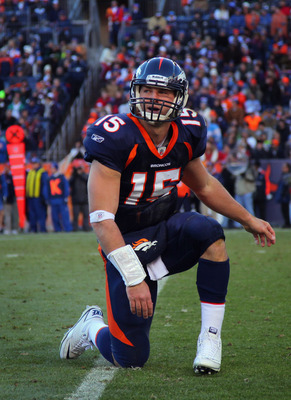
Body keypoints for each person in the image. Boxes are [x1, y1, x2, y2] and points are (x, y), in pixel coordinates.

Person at [59, 57, 275, 374]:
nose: (153, 98)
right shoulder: (115, 135)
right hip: (124, 242)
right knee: (130, 358)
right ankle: (92, 327)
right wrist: (134, 278)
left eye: (163, 92)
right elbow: (102, 219)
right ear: (134, 91)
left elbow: (204, 186)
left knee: (210, 232)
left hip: (163, 229)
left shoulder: (186, 132)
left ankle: (210, 338)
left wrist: (247, 219)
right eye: (147, 89)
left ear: (179, 98)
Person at [26, 157, 49, 233]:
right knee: (32, 214)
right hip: (31, 197)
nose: (33, 165)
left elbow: (45, 185)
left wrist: (44, 197)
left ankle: (42, 229)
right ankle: (33, 229)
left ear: (38, 164)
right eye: (32, 164)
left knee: (41, 214)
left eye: (35, 163)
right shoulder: (30, 172)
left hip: (39, 197)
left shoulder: (42, 173)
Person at [47, 162, 72, 232]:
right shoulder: (50, 178)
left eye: (53, 168)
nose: (52, 170)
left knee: (64, 216)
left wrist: (65, 197)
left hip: (61, 199)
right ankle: (57, 229)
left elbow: (66, 187)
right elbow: (48, 189)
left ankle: (67, 229)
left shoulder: (61, 177)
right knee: (54, 216)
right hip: (53, 199)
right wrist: (48, 198)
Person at [69, 159, 90, 232]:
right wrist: (75, 173)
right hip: (76, 200)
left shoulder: (85, 175)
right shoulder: (74, 177)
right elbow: (70, 182)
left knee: (86, 216)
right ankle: (75, 228)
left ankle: (86, 228)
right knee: (75, 216)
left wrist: (81, 174)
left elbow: (87, 180)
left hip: (85, 200)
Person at [275, 162, 291, 228]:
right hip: (283, 196)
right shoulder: (283, 175)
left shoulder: (288, 176)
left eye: (284, 167)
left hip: (287, 196)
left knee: (287, 210)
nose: (282, 169)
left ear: (288, 168)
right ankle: (286, 223)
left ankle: (288, 223)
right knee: (284, 210)